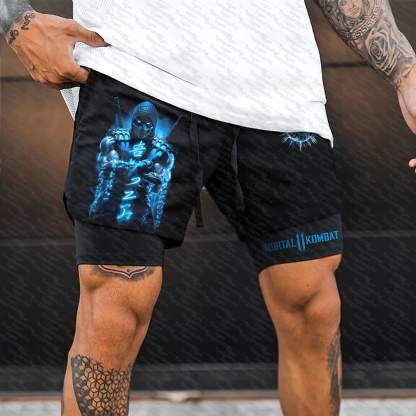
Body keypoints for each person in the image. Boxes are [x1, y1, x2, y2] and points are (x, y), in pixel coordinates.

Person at [1, 0, 415, 415]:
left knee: (312, 307)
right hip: (137, 71)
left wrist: (406, 71)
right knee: (115, 310)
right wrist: (15, 18)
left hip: (279, 88)